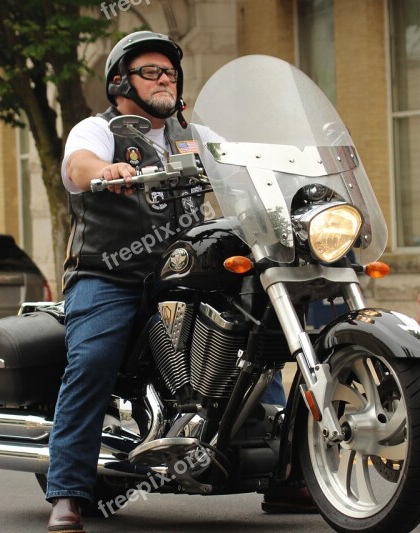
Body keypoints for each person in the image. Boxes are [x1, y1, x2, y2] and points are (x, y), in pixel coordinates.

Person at [47, 31, 311, 532]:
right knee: (93, 360)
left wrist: (288, 173)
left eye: (169, 72)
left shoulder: (194, 136)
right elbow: (78, 166)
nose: (164, 78)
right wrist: (108, 169)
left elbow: (246, 168)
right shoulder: (97, 130)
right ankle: (67, 491)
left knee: (261, 345)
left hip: (189, 270)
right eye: (151, 71)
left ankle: (286, 474)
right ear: (120, 81)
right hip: (112, 272)